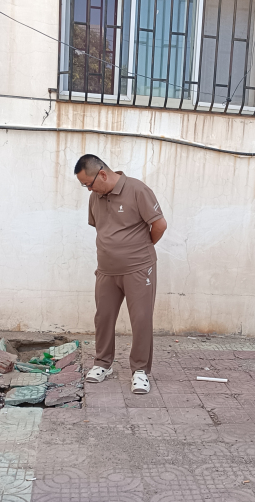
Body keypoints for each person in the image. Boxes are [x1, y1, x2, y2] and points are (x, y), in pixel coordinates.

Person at [75, 156, 168, 394]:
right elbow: (103, 228)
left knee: (141, 319)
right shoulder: (95, 197)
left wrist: (140, 249)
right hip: (106, 270)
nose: (88, 189)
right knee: (103, 318)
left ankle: (140, 370)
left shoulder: (138, 190)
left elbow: (160, 225)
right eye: (84, 186)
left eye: (88, 184)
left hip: (139, 268)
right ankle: (102, 364)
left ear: (102, 174)